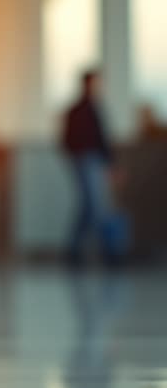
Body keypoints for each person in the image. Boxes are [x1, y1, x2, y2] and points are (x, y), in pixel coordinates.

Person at [60, 69, 125, 266]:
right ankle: (110, 252)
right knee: (96, 206)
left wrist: (111, 164)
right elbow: (68, 139)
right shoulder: (77, 110)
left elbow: (102, 140)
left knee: (89, 207)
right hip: (84, 161)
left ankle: (73, 251)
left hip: (94, 161)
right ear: (88, 84)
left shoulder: (96, 109)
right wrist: (77, 158)